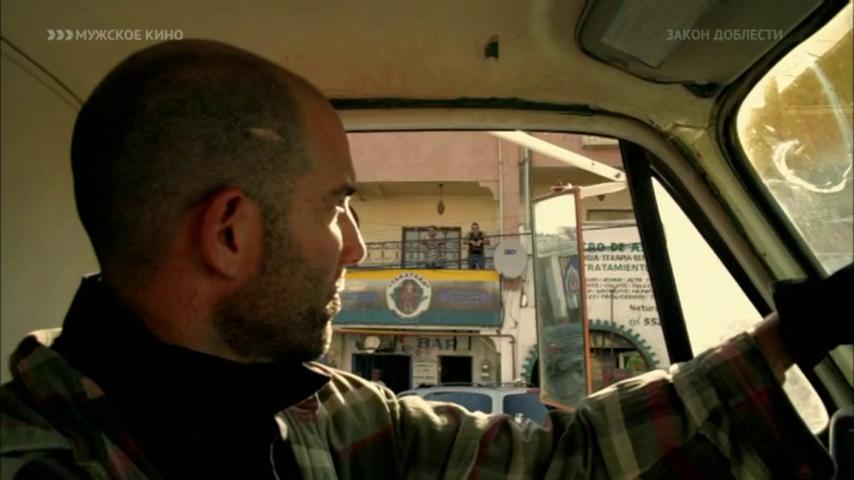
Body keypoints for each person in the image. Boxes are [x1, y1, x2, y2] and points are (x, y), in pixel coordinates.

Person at [0, 39, 851, 479]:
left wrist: (785, 338)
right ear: (229, 234)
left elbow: (572, 462)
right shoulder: (39, 460)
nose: (354, 246)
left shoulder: (331, 419)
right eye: (335, 207)